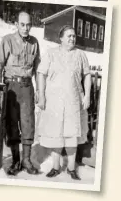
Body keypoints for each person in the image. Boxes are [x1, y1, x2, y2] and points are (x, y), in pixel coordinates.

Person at [36, 25, 91, 180]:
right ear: (61, 38)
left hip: (74, 102)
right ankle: (55, 166)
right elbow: (41, 74)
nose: (72, 38)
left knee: (72, 136)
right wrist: (41, 96)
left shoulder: (80, 55)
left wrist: (86, 96)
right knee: (56, 135)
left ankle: (72, 169)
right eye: (69, 36)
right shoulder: (51, 54)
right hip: (54, 102)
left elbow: (87, 75)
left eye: (74, 36)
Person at [0, 10, 40, 176]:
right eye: (22, 24)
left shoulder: (35, 43)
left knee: (28, 124)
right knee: (12, 124)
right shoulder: (8, 41)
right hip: (11, 87)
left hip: (27, 88)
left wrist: (41, 90)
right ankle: (15, 160)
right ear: (16, 24)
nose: (25, 28)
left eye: (28, 25)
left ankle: (27, 160)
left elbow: (38, 69)